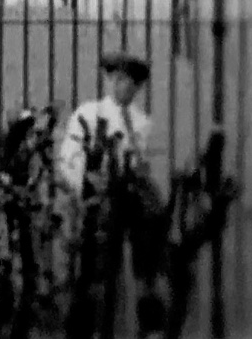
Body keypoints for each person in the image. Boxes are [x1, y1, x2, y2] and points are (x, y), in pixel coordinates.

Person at [57, 51, 169, 337]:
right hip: (99, 203)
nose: (126, 87)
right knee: (96, 270)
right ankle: (87, 329)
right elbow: (69, 158)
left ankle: (149, 324)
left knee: (145, 265)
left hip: (131, 201)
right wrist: (89, 181)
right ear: (110, 80)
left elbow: (145, 164)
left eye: (133, 83)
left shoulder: (142, 123)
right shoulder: (89, 114)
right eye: (120, 79)